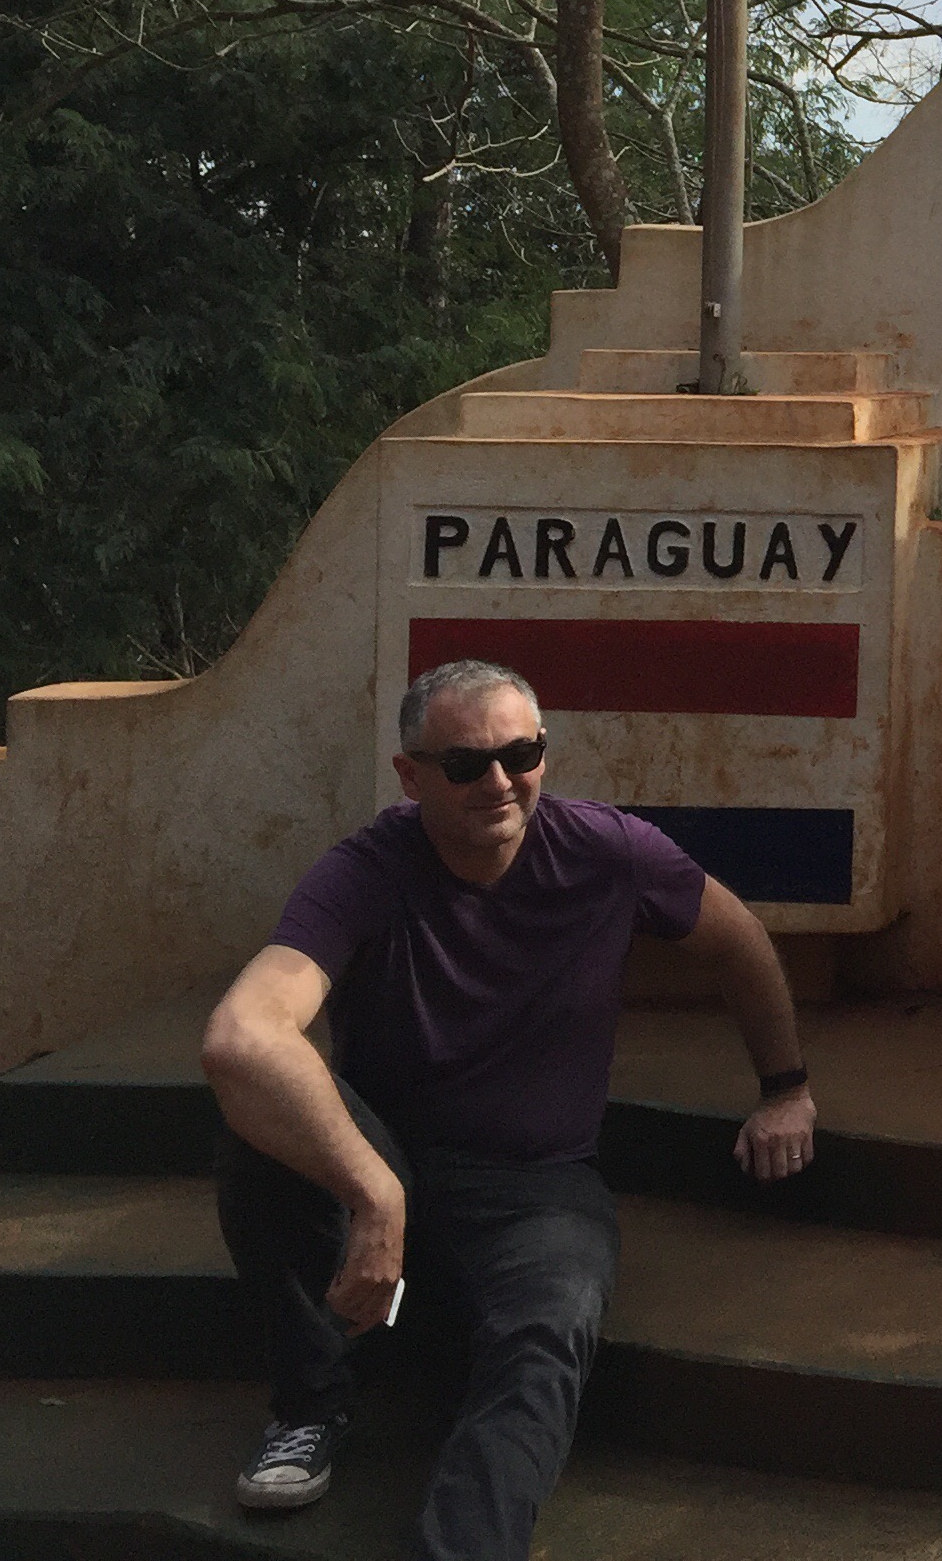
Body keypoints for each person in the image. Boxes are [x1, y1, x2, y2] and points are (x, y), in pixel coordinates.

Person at [200, 657, 820, 1555]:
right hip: (389, 1164)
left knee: (547, 1330)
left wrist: (785, 1090)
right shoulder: (368, 870)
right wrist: (377, 1194)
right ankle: (312, 1403)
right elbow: (241, 1034)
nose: (498, 782)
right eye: (464, 764)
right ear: (411, 776)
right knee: (260, 1117)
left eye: (520, 754)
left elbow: (738, 941)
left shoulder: (608, 851)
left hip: (535, 1187)